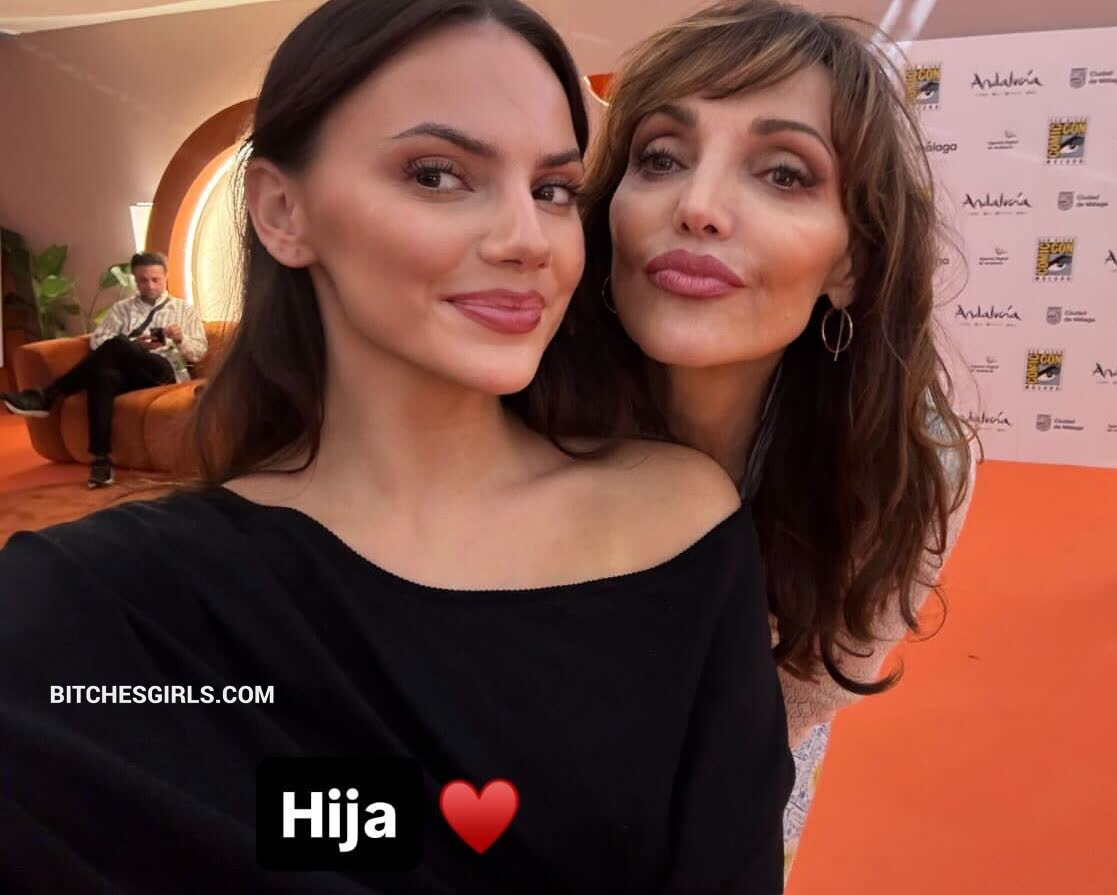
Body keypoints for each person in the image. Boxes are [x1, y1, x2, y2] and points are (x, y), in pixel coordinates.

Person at [0, 1, 793, 891]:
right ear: (283, 211)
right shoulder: (121, 601)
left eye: (553, 190)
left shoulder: (679, 526)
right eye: (437, 174)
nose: (526, 240)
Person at [562, 0, 977, 875]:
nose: (698, 206)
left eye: (784, 173)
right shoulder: (514, 407)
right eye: (661, 157)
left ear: (850, 262)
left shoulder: (911, 462)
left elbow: (787, 713)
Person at [0, 251, 207, 488]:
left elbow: (199, 352)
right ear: (135, 279)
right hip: (129, 374)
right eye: (143, 280)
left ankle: (48, 395)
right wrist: (135, 345)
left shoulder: (184, 310)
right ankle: (101, 461)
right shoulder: (121, 309)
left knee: (118, 344)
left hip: (164, 370)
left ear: (166, 277)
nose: (149, 285)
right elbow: (97, 342)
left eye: (155, 279)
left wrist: (180, 339)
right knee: (104, 376)